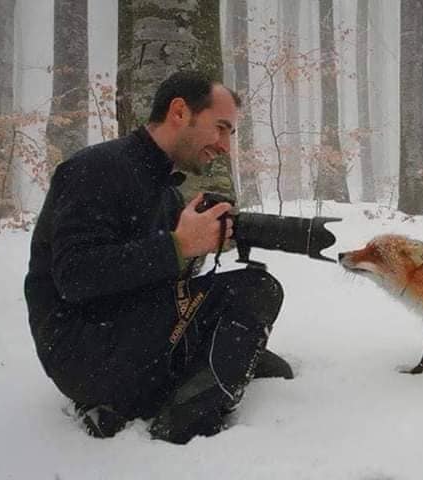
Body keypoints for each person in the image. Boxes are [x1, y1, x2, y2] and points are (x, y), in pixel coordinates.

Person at [24, 71, 292, 444]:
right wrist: (177, 247)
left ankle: (192, 371)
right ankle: (184, 424)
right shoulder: (95, 169)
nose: (225, 146)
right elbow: (75, 277)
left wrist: (195, 249)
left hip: (126, 334)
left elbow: (154, 282)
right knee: (256, 289)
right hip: (84, 352)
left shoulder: (167, 194)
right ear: (179, 112)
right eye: (221, 128)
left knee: (242, 308)